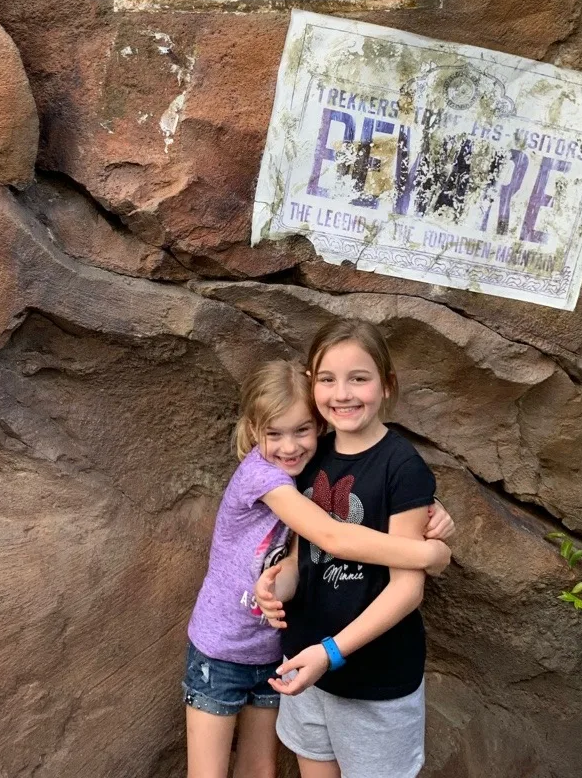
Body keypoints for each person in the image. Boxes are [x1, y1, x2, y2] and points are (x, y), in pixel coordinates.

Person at [184, 357, 454, 778]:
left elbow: (378, 486)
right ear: (253, 430)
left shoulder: (311, 464)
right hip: (223, 647)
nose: (289, 446)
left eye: (302, 431)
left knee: (261, 767)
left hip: (275, 650)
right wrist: (430, 556)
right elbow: (332, 536)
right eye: (274, 433)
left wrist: (432, 506)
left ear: (319, 426)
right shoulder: (262, 474)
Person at [254, 318, 443, 778]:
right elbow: (301, 557)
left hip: (374, 680)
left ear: (387, 384)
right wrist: (277, 585)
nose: (342, 394)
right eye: (327, 379)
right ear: (311, 384)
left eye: (359, 379)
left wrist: (331, 652)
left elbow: (407, 590)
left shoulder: (403, 467)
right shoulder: (308, 454)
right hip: (304, 664)